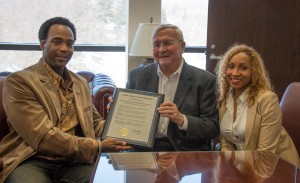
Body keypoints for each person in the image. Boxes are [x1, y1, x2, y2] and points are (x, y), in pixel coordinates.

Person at [0, 17, 130, 183]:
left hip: (75, 162)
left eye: (70, 44)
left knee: (108, 179)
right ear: (42, 44)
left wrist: (123, 123)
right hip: (32, 160)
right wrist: (97, 146)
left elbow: (95, 124)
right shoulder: (19, 82)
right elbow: (43, 137)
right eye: (57, 42)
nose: (64, 49)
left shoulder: (80, 83)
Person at [126, 24, 219, 151]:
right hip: (145, 150)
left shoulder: (205, 80)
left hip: (185, 152)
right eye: (156, 45)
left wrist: (182, 119)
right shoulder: (137, 76)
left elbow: (212, 127)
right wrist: (118, 109)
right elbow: (129, 116)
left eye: (168, 43)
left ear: (183, 46)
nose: (161, 49)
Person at [215, 44, 299, 166]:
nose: (235, 73)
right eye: (231, 66)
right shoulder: (224, 99)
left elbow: (265, 152)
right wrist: (232, 165)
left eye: (243, 68)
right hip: (242, 167)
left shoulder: (267, 99)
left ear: (254, 71)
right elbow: (225, 142)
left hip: (276, 166)